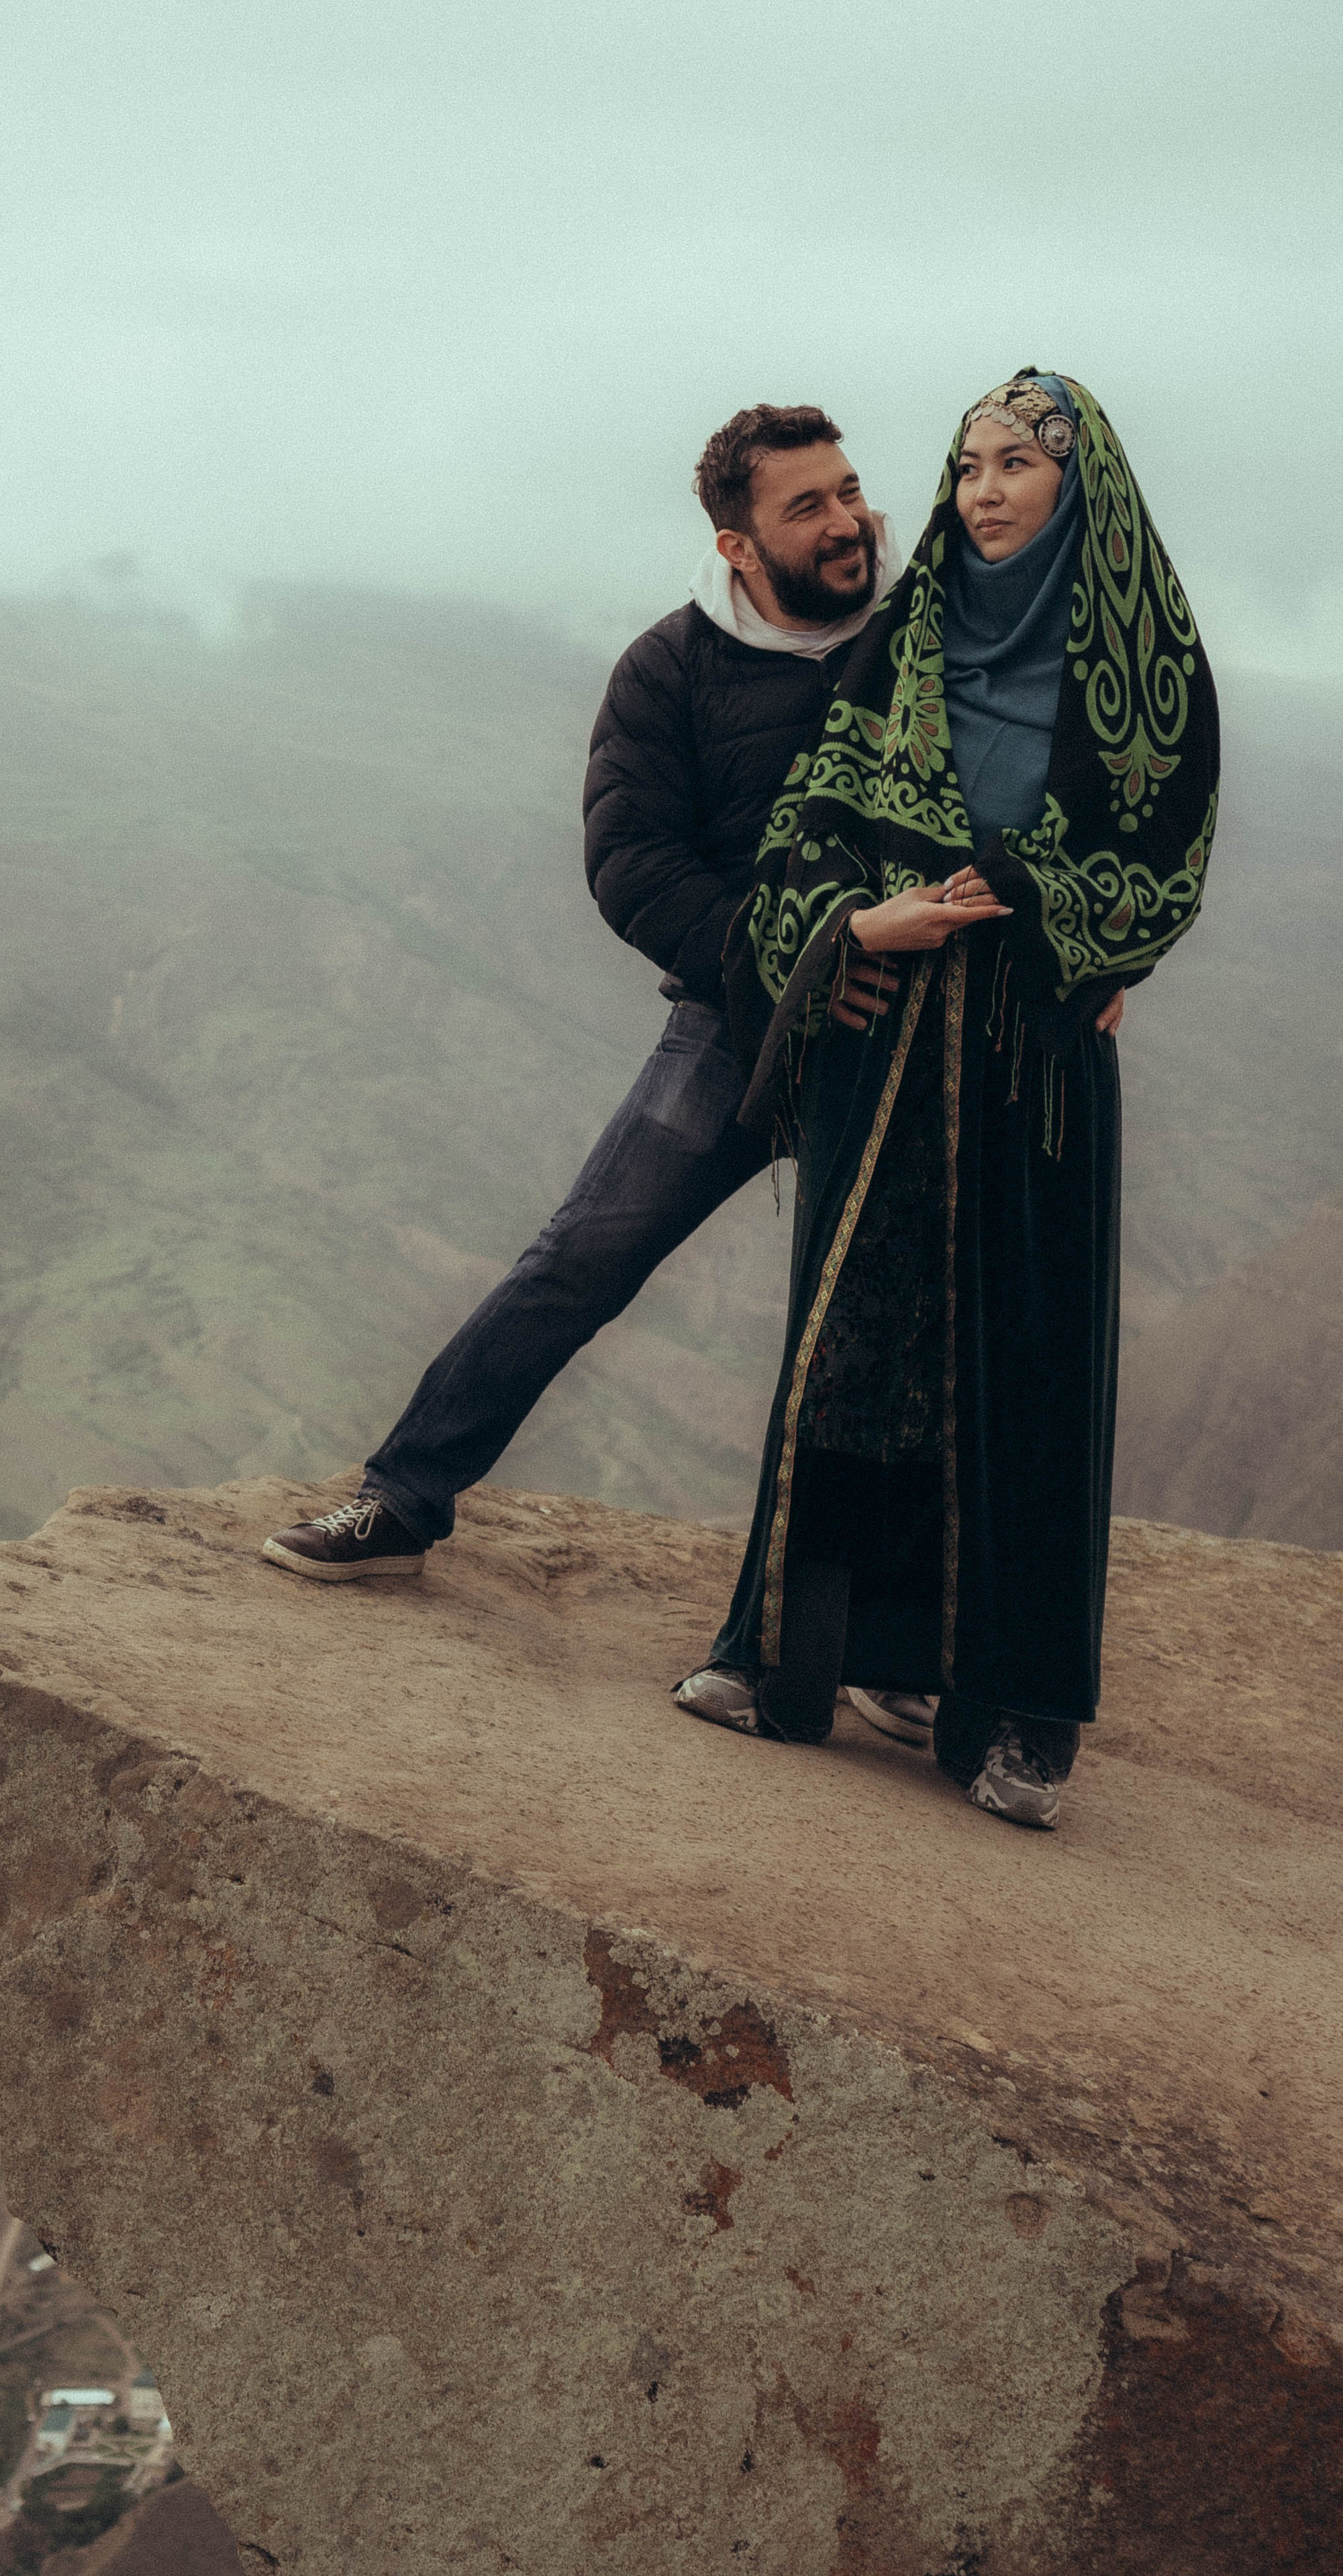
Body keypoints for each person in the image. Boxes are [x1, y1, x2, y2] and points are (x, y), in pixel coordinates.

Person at [681, 369, 1220, 1828]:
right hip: (886, 1040)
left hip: (1032, 1068)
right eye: (966, 465)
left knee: (1022, 1378)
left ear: (1076, 488)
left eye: (1016, 467)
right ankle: (791, 1659)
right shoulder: (904, 642)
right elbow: (808, 827)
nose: (981, 492)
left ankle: (1016, 1723)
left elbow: (1162, 859)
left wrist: (1059, 919)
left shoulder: (1145, 660)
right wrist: (859, 924)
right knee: (852, 1346)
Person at [262, 403, 901, 1585]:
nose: (848, 521)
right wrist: (798, 970)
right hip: (739, 1027)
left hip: (916, 1036)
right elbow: (634, 864)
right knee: (582, 1258)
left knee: (904, 1331)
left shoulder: (931, 641)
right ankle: (400, 1503)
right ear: (737, 546)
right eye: (805, 506)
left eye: (850, 490)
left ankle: (888, 1635)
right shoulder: (671, 669)